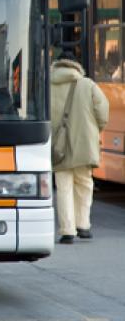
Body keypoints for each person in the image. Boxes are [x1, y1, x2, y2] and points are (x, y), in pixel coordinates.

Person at [51, 52, 109, 243]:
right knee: (84, 184)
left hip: (58, 145)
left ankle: (67, 231)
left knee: (64, 186)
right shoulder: (88, 84)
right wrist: (94, 129)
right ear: (76, 65)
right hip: (85, 143)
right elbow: (103, 112)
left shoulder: (46, 85)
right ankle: (83, 225)